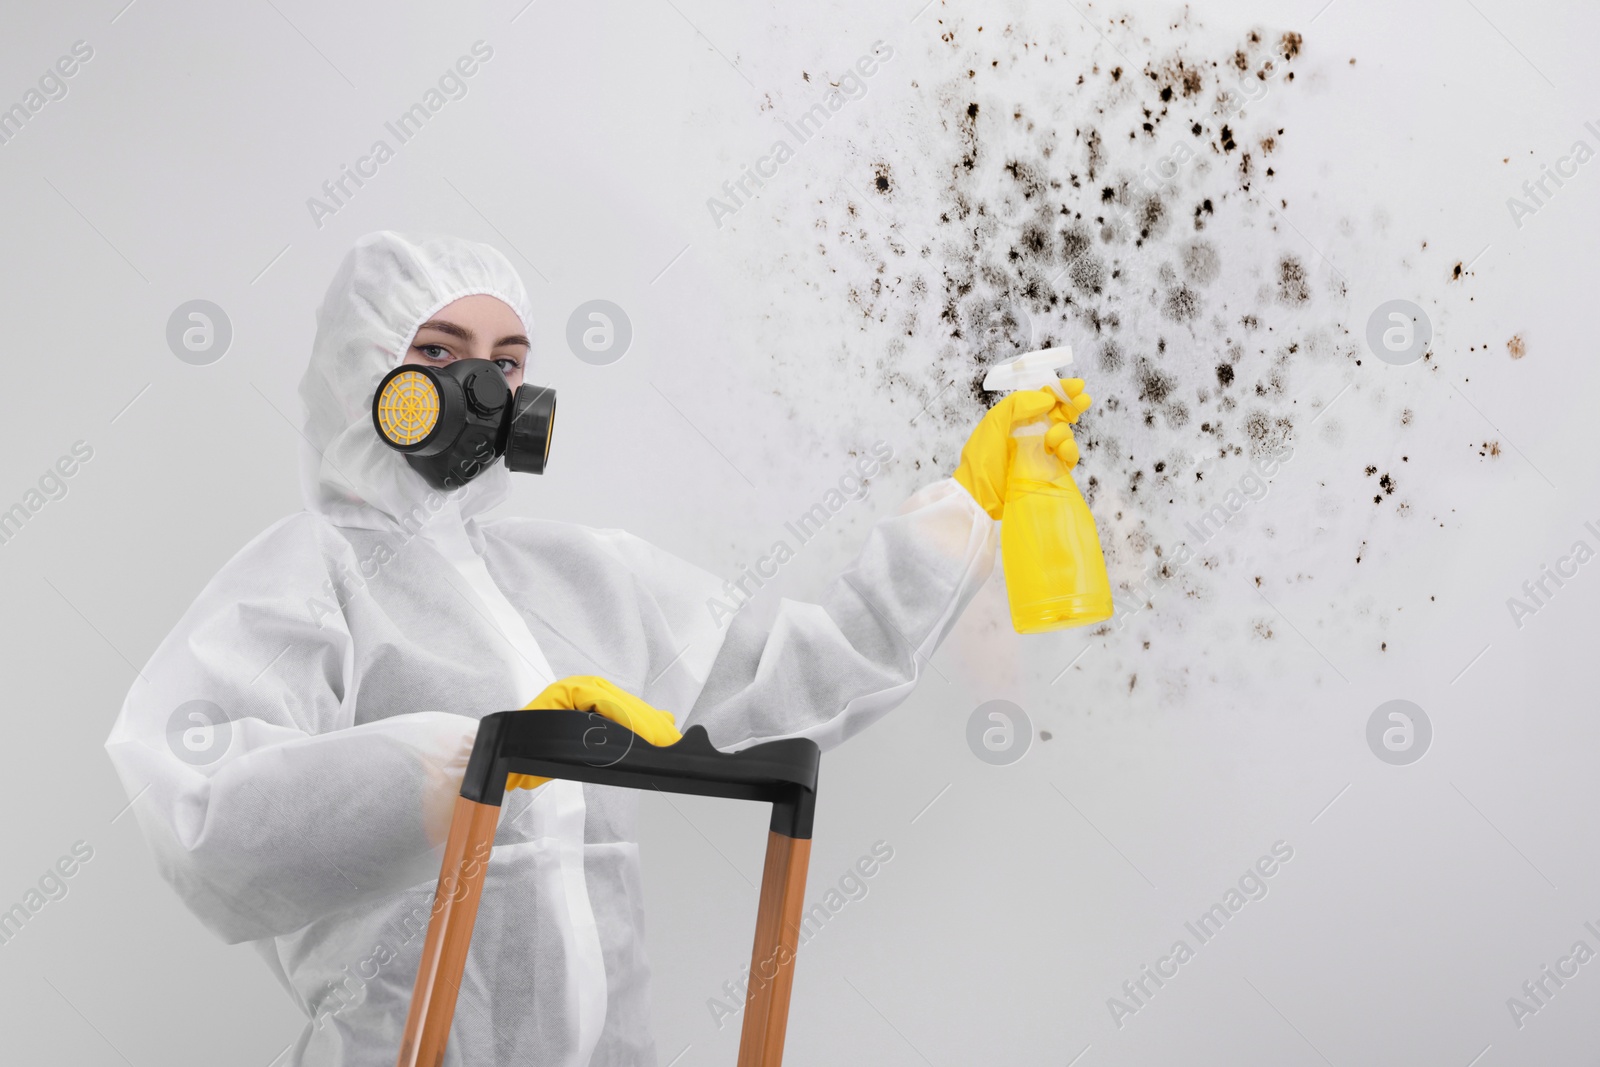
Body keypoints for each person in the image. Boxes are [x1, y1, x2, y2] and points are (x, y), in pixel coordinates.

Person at [104, 231, 1090, 1066]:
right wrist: (466, 760)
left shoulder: (568, 578)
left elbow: (785, 683)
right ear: (368, 369)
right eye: (443, 353)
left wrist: (966, 504)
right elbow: (198, 803)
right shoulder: (304, 575)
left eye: (510, 360)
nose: (485, 388)